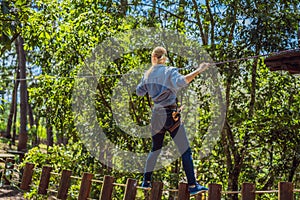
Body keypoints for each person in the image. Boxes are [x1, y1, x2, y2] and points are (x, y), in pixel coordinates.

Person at [136, 46, 211, 195]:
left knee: (155, 149)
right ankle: (192, 186)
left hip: (156, 115)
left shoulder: (147, 74)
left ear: (153, 58)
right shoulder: (169, 71)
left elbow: (139, 92)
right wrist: (199, 70)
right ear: (164, 58)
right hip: (170, 114)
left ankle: (146, 181)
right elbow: (183, 81)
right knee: (185, 151)